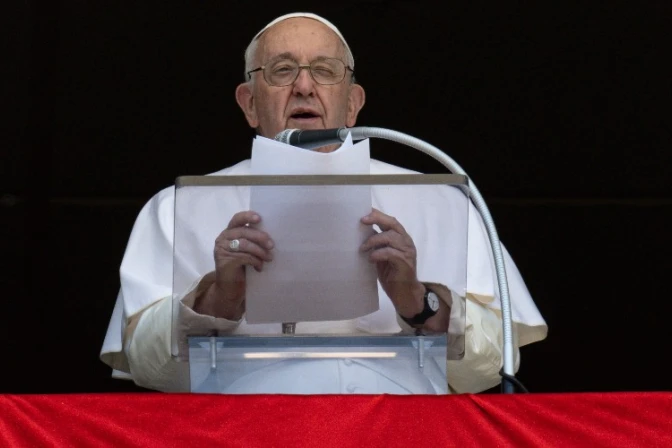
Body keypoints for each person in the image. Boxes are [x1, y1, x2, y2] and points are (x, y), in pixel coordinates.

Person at [100, 12, 548, 393]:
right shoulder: (180, 205)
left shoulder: (439, 200)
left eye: (325, 70)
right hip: (244, 430)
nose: (303, 86)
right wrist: (217, 300)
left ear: (352, 103)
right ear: (249, 103)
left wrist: (418, 301)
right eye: (281, 70)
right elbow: (148, 369)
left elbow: (492, 367)